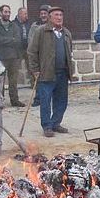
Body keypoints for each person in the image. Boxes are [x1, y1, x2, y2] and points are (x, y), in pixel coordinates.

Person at [27, 7, 73, 138]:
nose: (59, 18)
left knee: (61, 101)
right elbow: (31, 52)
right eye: (56, 15)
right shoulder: (41, 31)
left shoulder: (66, 33)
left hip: (63, 73)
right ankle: (47, 126)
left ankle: (55, 123)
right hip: (46, 73)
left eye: (61, 15)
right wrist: (35, 70)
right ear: (49, 17)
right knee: (46, 101)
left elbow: (69, 52)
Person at [0, 5, 25, 107]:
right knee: (0, 81)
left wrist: (8, 40)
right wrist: (11, 39)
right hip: (1, 57)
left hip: (14, 57)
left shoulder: (14, 26)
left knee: (13, 81)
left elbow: (18, 40)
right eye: (5, 12)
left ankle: (14, 100)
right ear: (0, 13)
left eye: (9, 12)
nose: (7, 14)